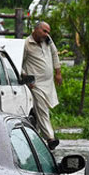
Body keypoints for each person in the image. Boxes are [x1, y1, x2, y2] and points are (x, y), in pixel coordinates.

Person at [22, 21, 62, 150]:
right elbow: (19, 63)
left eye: (48, 32)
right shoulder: (26, 44)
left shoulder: (48, 41)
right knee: (42, 108)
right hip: (36, 83)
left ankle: (35, 135)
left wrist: (58, 73)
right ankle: (50, 138)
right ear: (36, 29)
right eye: (44, 31)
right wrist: (26, 78)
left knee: (41, 109)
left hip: (48, 83)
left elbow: (54, 54)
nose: (46, 34)